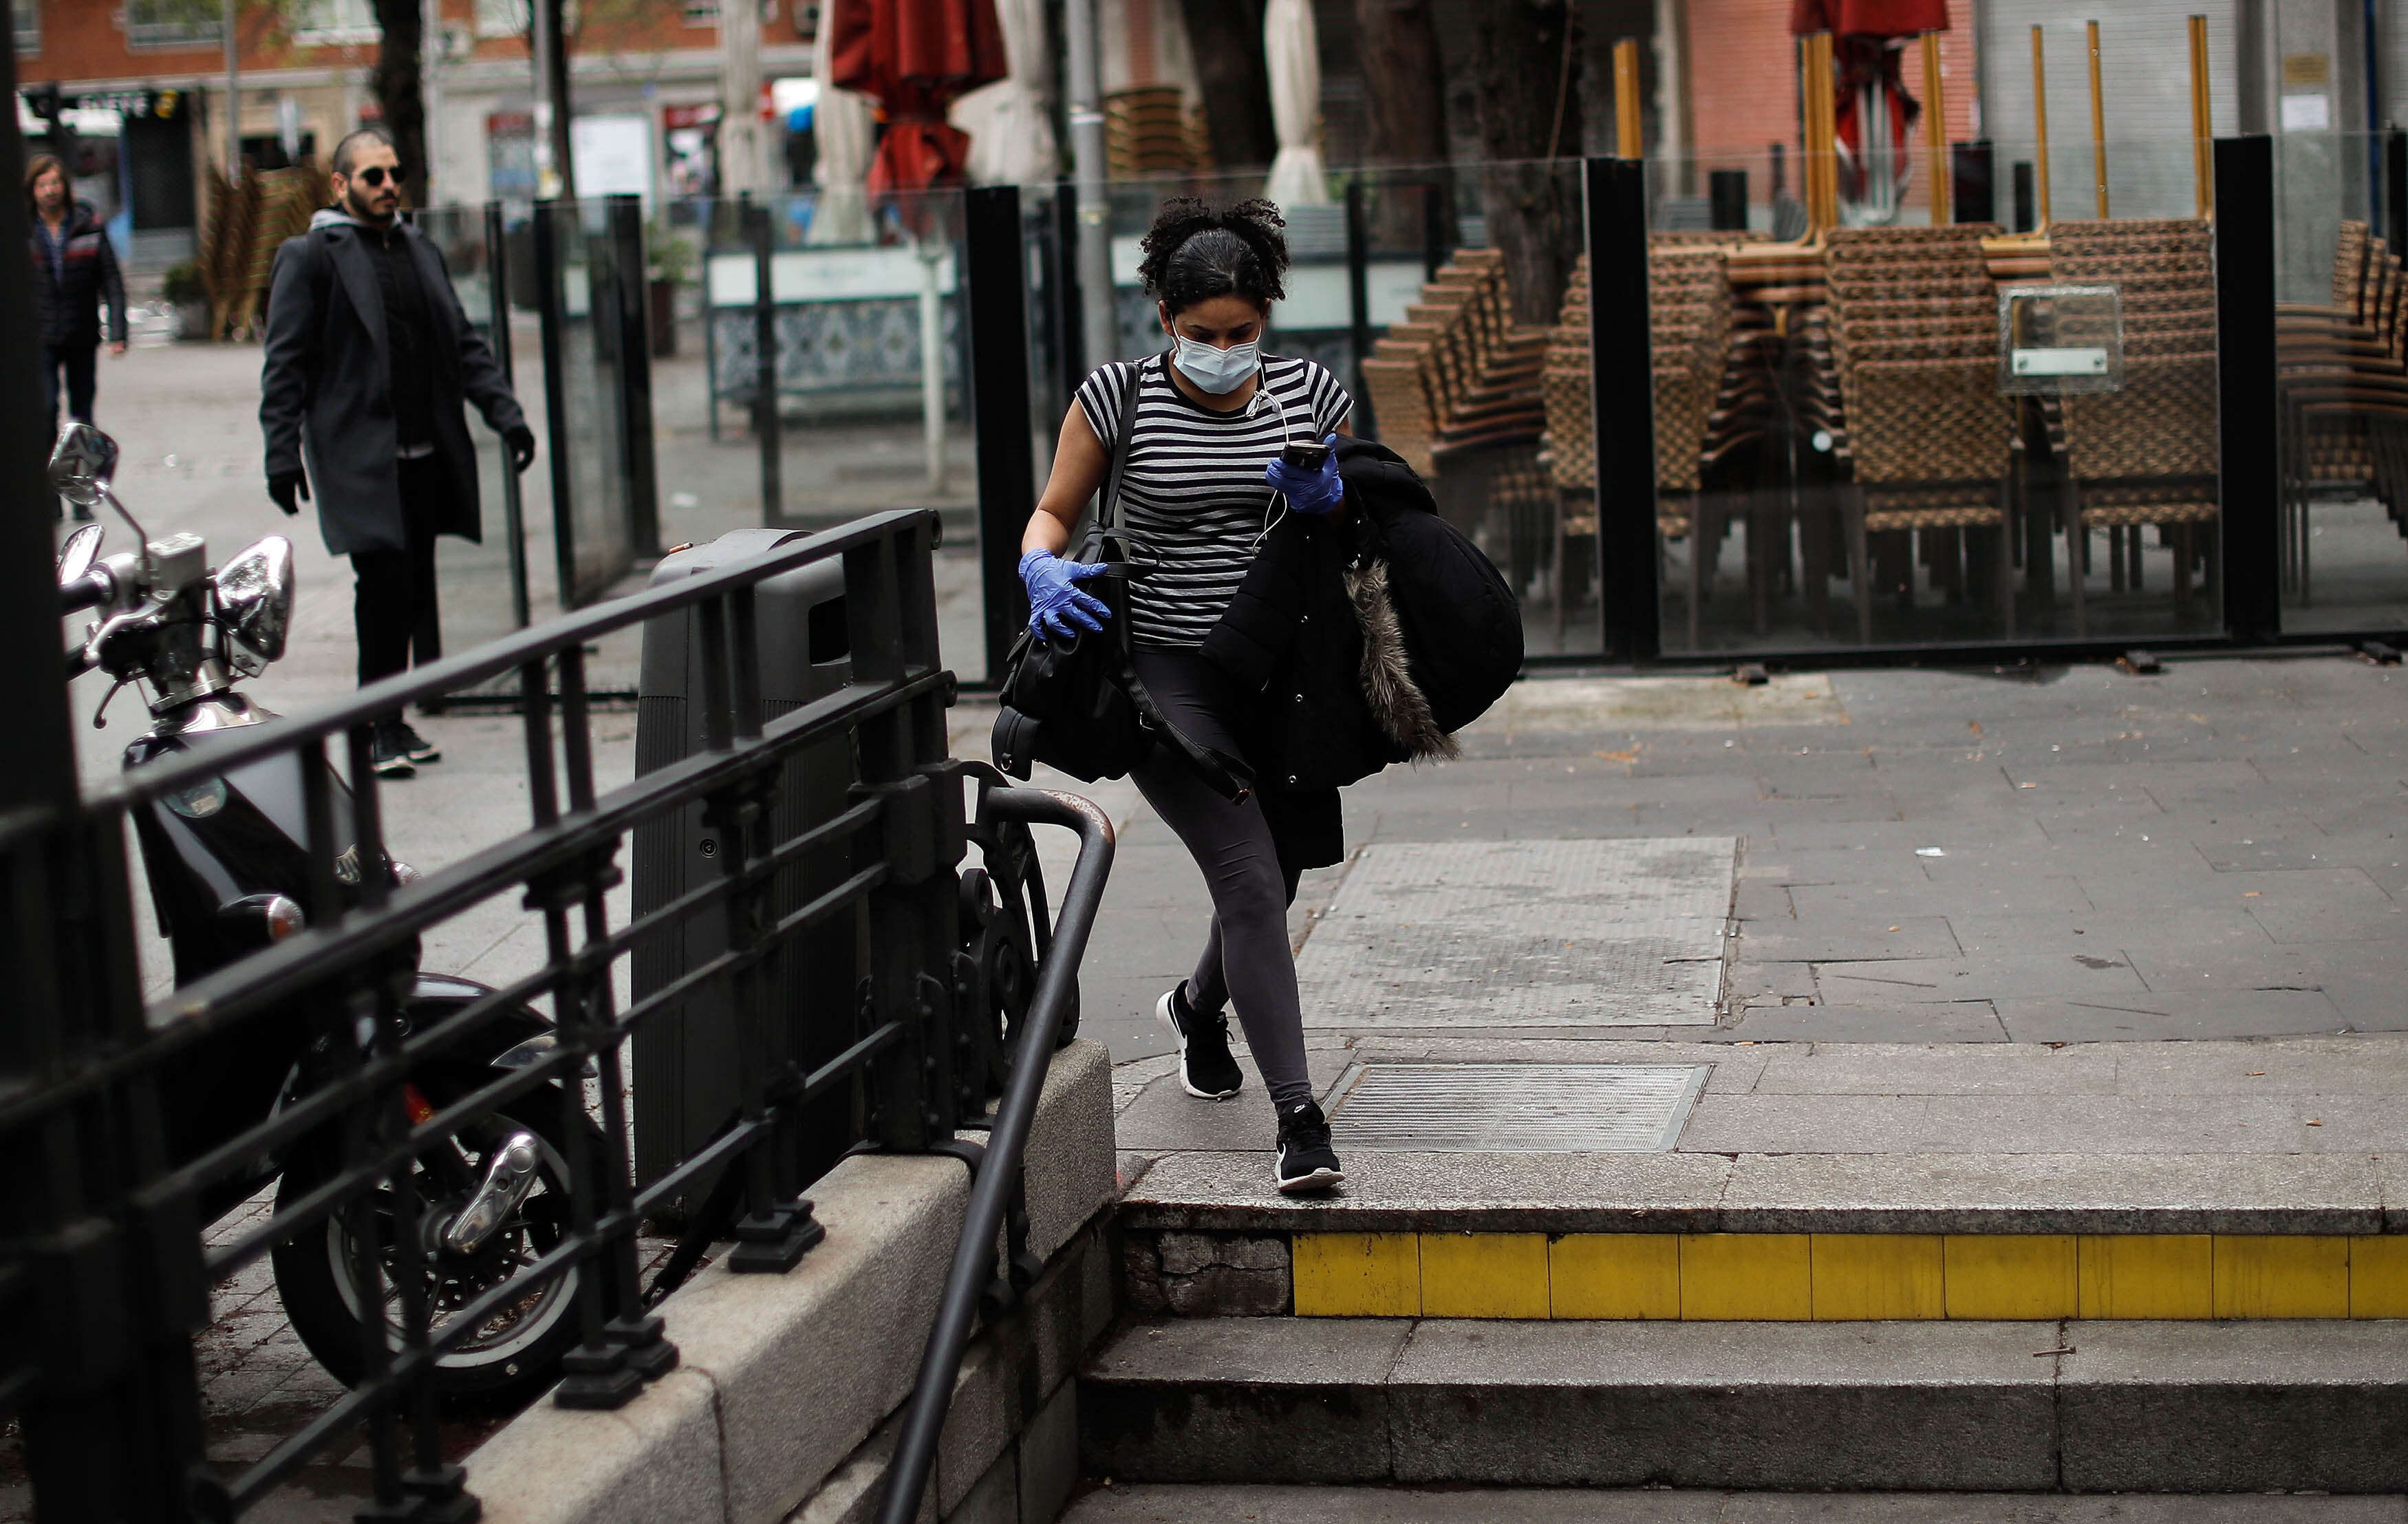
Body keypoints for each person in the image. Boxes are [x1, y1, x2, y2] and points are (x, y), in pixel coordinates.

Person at [1017, 198, 1358, 1194]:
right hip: (1161, 671)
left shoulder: (1309, 392)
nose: (1222, 350)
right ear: (1163, 315)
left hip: (1280, 672)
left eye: (1242, 333)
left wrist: (1330, 502)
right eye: (1200, 333)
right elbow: (1051, 510)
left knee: (1281, 869)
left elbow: (1358, 518)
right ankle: (1300, 1120)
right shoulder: (1116, 398)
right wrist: (1042, 569)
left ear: (1269, 318)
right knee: (1249, 875)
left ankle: (1200, 1007)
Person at [260, 127, 537, 780]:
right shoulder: (311, 257)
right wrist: (281, 453)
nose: (389, 187)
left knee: (411, 591)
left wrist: (507, 415)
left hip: (425, 454)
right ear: (340, 185)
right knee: (381, 589)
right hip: (359, 458)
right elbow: (286, 365)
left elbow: (463, 344)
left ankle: (390, 717)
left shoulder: (418, 248)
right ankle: (377, 725)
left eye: (394, 173)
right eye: (373, 177)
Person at [28, 152, 127, 521]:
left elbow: (112, 281)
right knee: (45, 412)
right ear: (32, 190)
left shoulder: (88, 225)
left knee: (82, 417)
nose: (49, 191)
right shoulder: (24, 230)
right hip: (39, 338)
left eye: (54, 183)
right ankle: (51, 496)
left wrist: (118, 332)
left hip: (82, 333)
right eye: (42, 184)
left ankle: (80, 493)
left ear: (65, 187)